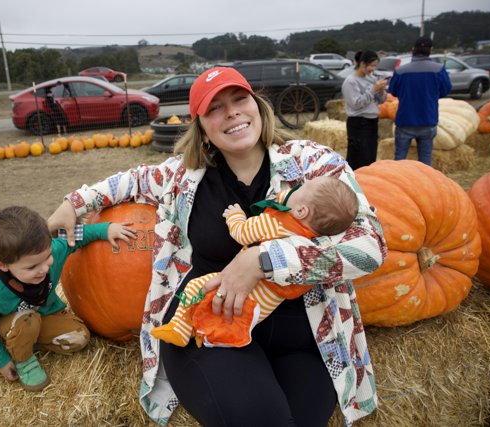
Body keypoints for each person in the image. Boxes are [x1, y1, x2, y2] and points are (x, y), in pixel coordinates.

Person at [48, 66, 386, 426]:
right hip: (209, 327)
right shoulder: (183, 177)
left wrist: (262, 259)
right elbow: (130, 180)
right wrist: (73, 203)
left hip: (303, 336)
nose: (232, 112)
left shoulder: (313, 163)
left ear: (257, 106)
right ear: (202, 126)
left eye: (239, 99)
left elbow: (370, 246)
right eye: (215, 108)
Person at [152, 176, 358, 348]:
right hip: (266, 305)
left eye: (300, 188)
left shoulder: (275, 224)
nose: (295, 187)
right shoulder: (313, 243)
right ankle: (207, 334)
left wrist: (235, 216)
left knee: (196, 287)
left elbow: (242, 234)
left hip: (245, 290)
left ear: (301, 211)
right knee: (228, 316)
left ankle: (179, 329)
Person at [0, 205, 137, 391]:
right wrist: (1, 361)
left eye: (47, 257)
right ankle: (23, 359)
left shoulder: (54, 251)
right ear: (2, 266)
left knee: (79, 337)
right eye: (32, 267)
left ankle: (29, 342)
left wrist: (106, 229)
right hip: (16, 322)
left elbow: (78, 235)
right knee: (27, 321)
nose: (44, 269)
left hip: (44, 316)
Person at [388, 36, 452, 165]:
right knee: (425, 160)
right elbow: (445, 91)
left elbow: (393, 91)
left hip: (405, 121)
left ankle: (399, 183)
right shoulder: (439, 69)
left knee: (399, 159)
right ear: (431, 50)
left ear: (413, 49)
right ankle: (424, 183)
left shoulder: (400, 71)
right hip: (428, 119)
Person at [342, 50, 387, 170]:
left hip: (372, 121)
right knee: (358, 158)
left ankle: (368, 183)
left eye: (375, 66)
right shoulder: (350, 81)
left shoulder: (371, 79)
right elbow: (356, 104)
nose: (373, 69)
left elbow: (381, 100)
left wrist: (381, 90)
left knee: (370, 157)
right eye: (371, 66)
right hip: (358, 123)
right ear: (362, 64)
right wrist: (373, 90)